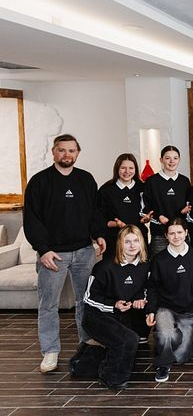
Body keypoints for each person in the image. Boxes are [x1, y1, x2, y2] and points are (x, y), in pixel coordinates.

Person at [23, 134, 106, 373]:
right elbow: (32, 219)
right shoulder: (40, 181)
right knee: (48, 304)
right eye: (62, 150)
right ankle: (50, 351)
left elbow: (94, 212)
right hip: (53, 254)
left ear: (78, 153)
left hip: (84, 251)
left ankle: (87, 345)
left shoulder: (86, 179)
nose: (66, 154)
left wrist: (99, 234)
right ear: (53, 152)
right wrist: (43, 249)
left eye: (71, 150)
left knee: (86, 301)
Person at [81, 225, 149, 390]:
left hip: (123, 314)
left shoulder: (145, 266)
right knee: (128, 340)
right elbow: (88, 298)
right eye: (127, 242)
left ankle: (87, 358)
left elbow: (148, 289)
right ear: (120, 244)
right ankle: (111, 379)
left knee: (131, 340)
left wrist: (141, 298)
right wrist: (113, 305)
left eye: (136, 241)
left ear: (141, 243)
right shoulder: (104, 267)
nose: (132, 245)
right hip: (97, 316)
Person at [145, 218, 193, 383]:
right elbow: (152, 288)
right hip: (166, 309)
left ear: (186, 233)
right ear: (166, 236)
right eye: (172, 233)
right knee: (167, 334)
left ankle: (191, 336)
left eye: (179, 232)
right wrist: (151, 310)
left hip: (187, 310)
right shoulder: (159, 259)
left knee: (181, 357)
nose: (176, 236)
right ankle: (163, 365)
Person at [97, 153, 149, 259]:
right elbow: (100, 217)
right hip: (114, 241)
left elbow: (147, 210)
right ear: (117, 168)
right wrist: (116, 224)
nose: (127, 171)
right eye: (123, 168)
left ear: (135, 169)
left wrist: (147, 218)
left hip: (138, 241)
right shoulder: (106, 189)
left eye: (131, 168)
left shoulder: (143, 187)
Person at [141, 145, 191, 256]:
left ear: (179, 160)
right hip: (159, 233)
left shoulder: (184, 181)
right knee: (159, 263)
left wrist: (187, 209)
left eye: (175, 158)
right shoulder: (152, 181)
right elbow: (147, 206)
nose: (172, 161)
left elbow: (190, 202)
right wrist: (158, 216)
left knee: (182, 263)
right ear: (161, 160)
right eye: (167, 158)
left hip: (180, 234)